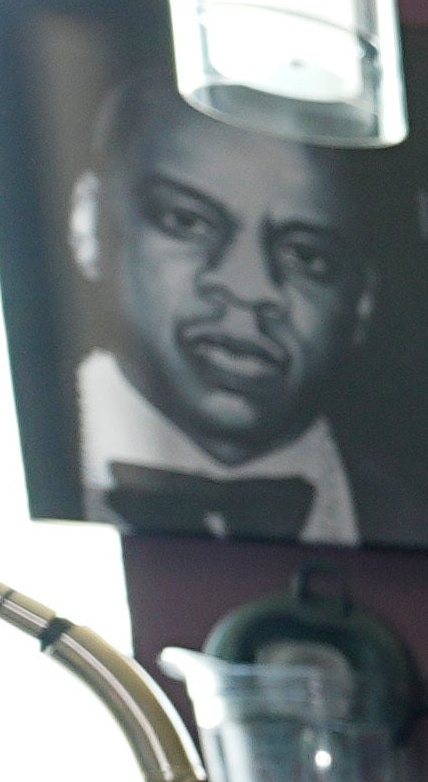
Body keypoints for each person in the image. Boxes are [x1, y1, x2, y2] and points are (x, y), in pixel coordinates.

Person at [60, 68, 382, 540]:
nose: (249, 288)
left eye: (306, 256)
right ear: (88, 224)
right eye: (186, 221)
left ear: (362, 302)